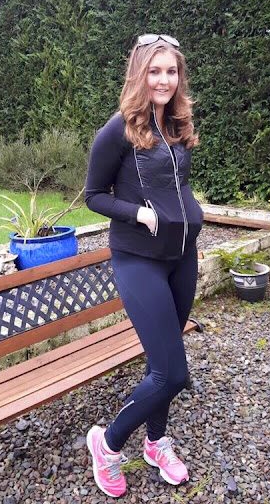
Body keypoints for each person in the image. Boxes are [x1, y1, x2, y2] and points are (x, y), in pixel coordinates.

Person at [84, 33, 204, 498]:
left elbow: (175, 185)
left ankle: (156, 443)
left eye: (171, 71)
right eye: (155, 71)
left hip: (182, 256)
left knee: (163, 363)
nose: (163, 80)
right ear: (139, 74)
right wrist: (136, 213)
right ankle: (108, 444)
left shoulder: (177, 123)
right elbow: (94, 196)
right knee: (173, 374)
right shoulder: (117, 130)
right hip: (138, 260)